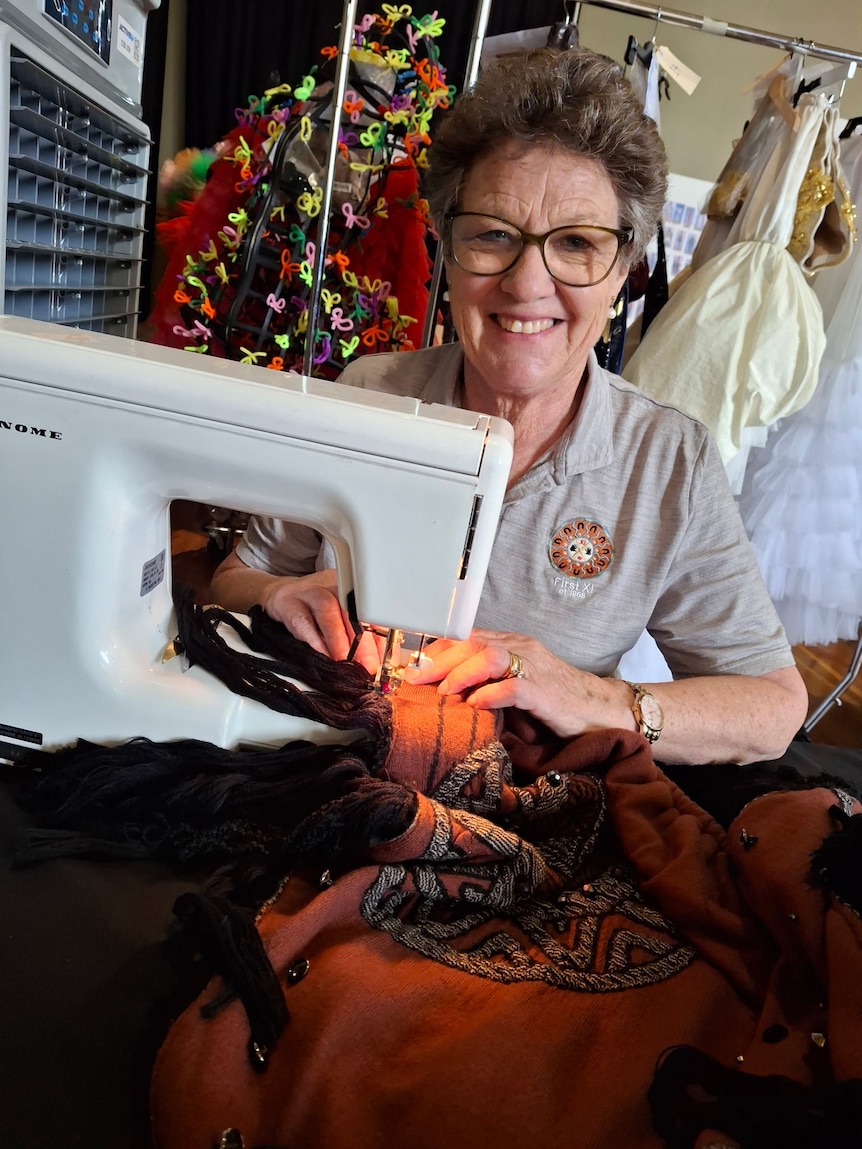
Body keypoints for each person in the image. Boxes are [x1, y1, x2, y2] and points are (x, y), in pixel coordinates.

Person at [210, 46, 808, 767]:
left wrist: (592, 697)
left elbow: (774, 706)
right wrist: (277, 595)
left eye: (577, 245)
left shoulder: (668, 460)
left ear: (620, 272)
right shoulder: (370, 396)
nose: (529, 284)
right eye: (493, 235)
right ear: (446, 249)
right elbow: (234, 579)